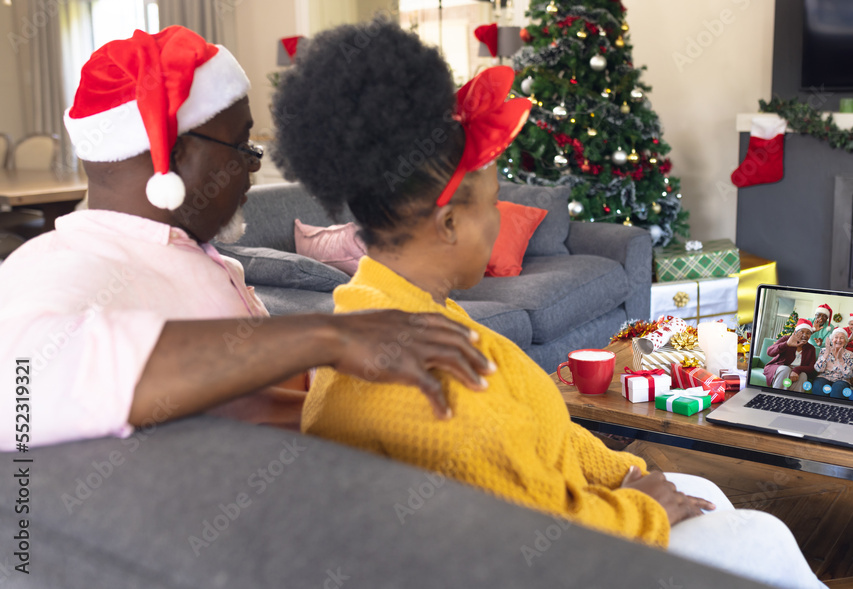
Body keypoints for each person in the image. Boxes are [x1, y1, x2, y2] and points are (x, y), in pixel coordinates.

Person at [276, 21, 825, 589]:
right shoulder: (423, 382)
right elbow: (528, 540)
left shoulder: (406, 310)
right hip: (554, 558)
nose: (499, 221)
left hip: (573, 514)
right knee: (763, 538)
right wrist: (644, 509)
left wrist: (631, 473)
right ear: (448, 224)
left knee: (707, 494)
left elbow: (547, 435)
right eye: (494, 204)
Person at [0, 26, 494, 451]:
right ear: (171, 155)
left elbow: (244, 395)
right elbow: (15, 381)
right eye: (241, 146)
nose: (252, 166)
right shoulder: (65, 259)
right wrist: (330, 337)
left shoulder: (180, 250)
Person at [764, 319, 817, 391]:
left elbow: (811, 368)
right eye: (802, 332)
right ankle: (776, 396)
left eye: (808, 333)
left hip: (797, 371)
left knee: (803, 375)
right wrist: (787, 344)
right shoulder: (787, 339)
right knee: (785, 369)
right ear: (796, 332)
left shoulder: (811, 348)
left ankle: (793, 399)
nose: (805, 335)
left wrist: (796, 370)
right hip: (780, 368)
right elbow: (769, 352)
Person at [812, 327, 853, 398]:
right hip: (824, 377)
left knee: (837, 390)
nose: (838, 340)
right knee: (819, 387)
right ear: (832, 340)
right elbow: (818, 369)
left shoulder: (849, 354)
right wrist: (826, 354)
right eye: (836, 337)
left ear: (845, 341)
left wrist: (841, 360)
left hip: (842, 380)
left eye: (842, 338)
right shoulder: (824, 350)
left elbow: (849, 375)